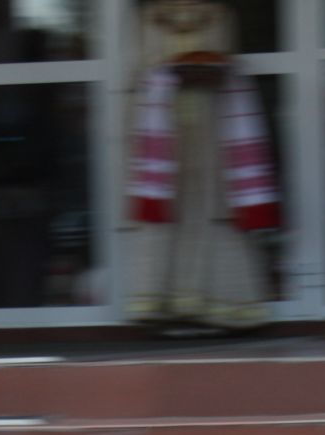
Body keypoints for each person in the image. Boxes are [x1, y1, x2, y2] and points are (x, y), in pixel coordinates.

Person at [126, 0, 273, 335]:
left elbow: (224, 58)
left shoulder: (220, 13)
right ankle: (165, 303)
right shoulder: (148, 16)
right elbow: (137, 68)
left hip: (211, 125)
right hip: (162, 123)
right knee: (167, 207)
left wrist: (209, 68)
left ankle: (215, 301)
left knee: (210, 207)